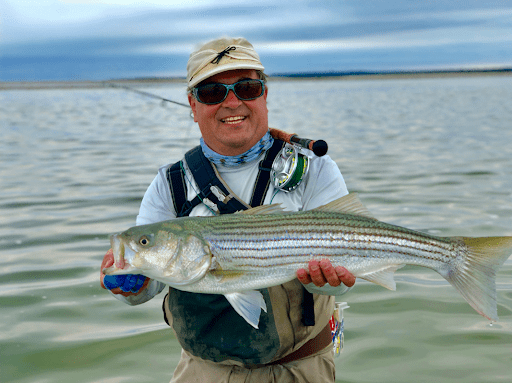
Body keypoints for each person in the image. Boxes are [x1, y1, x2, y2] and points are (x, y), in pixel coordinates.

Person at [100, 37, 356, 383]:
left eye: (247, 88)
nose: (231, 101)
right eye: (211, 93)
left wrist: (333, 283)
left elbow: (342, 284)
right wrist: (129, 285)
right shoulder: (169, 183)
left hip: (303, 368)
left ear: (265, 94)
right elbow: (149, 286)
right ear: (192, 105)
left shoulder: (315, 169)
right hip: (203, 371)